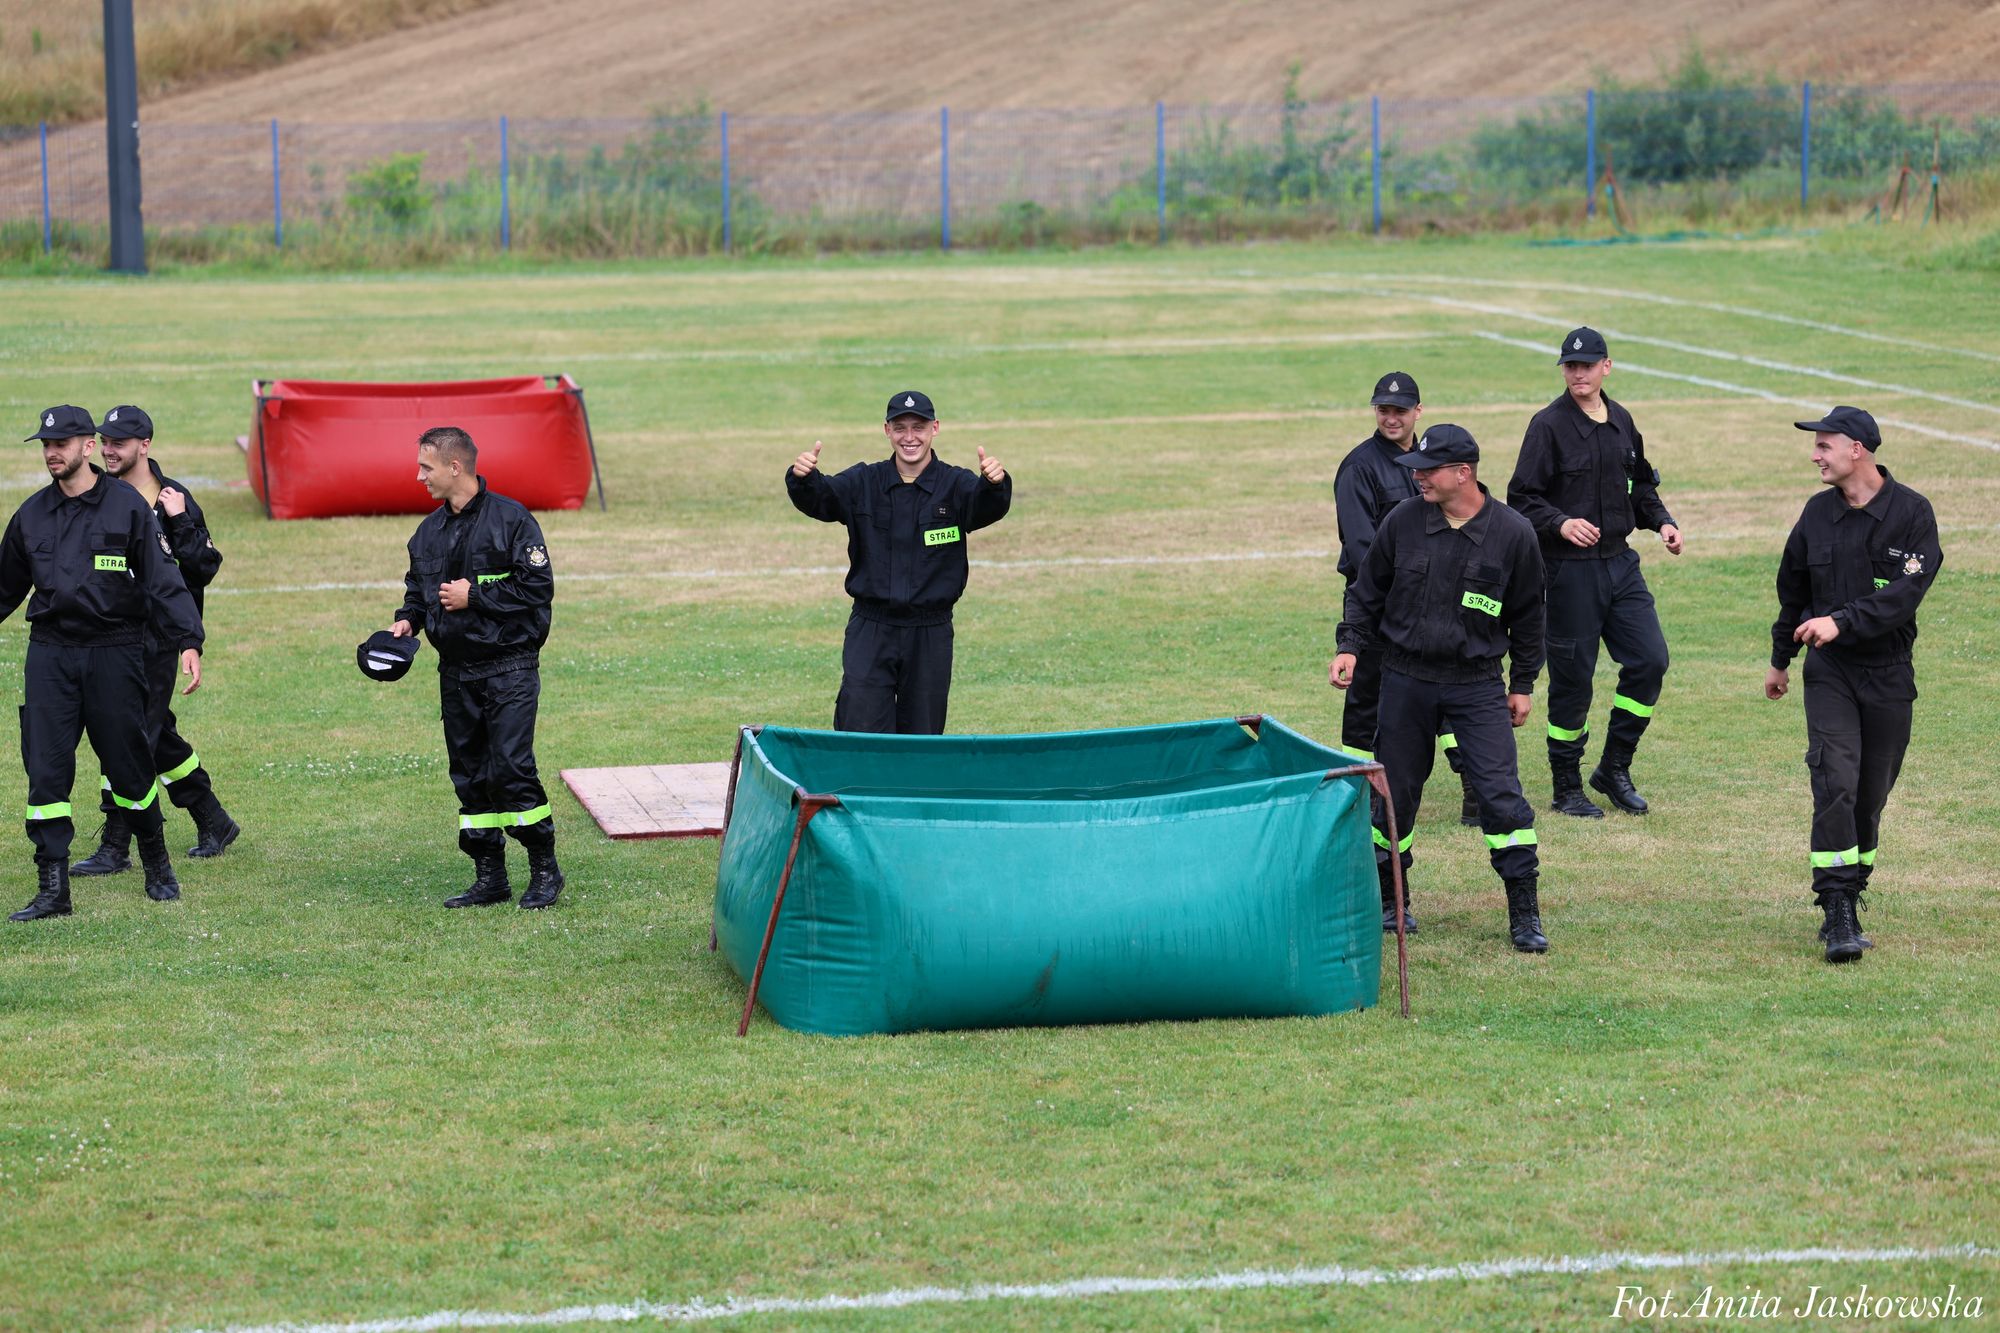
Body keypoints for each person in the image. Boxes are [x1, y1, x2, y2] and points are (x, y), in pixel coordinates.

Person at [1330, 424, 1550, 952]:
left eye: (1428, 470)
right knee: (1394, 797)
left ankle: (1524, 914)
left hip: (1475, 687)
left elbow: (1530, 616)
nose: (1418, 478)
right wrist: (1349, 646)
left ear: (1464, 473)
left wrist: (1522, 685)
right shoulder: (1402, 522)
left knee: (1500, 798)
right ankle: (1391, 901)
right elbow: (1366, 594)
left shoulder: (1514, 534)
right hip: (1404, 680)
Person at [1, 405, 205, 920]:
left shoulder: (128, 508)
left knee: (129, 765)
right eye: (45, 445)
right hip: (51, 653)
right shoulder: (30, 515)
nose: (52, 453)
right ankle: (53, 888)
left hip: (116, 649)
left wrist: (188, 640)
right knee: (46, 770)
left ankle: (157, 865)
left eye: (61, 444)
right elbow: (3, 588)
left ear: (87, 446)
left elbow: (163, 579)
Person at [1766, 407, 1940, 964]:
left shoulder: (1912, 513)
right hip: (1830, 671)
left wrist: (1842, 618)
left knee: (1871, 793)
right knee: (1835, 779)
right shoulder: (1816, 515)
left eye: (1824, 446)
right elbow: (1792, 586)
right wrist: (1780, 659)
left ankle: (1855, 882)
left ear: (1857, 450)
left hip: (1889, 672)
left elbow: (1903, 596)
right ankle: (1837, 907)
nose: (1815, 455)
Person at [1507, 326, 1683, 819]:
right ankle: (1566, 787)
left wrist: (1663, 522)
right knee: (1573, 680)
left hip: (1620, 564)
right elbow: (1521, 498)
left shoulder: (1622, 420)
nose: (1578, 373)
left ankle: (1614, 767)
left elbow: (1640, 484)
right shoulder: (1547, 426)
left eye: (1587, 364)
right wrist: (1560, 523)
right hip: (1568, 572)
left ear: (1606, 366)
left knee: (1650, 661)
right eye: (1570, 365)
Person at [390, 426, 562, 910]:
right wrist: (407, 621)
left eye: (426, 467)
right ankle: (491, 876)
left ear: (454, 467)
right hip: (456, 673)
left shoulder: (512, 521)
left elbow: (537, 589)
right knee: (470, 775)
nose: (418, 475)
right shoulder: (426, 534)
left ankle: (545, 869)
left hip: (509, 668)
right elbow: (418, 592)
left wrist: (476, 595)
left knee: (511, 768)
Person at [72, 406, 237, 878]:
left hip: (159, 637)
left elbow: (202, 569)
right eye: (104, 441)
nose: (108, 450)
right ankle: (213, 819)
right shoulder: (99, 495)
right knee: (151, 730)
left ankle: (116, 843)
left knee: (127, 735)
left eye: (118, 443)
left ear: (144, 445)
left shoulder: (174, 498)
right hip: (110, 635)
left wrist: (180, 522)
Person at [786, 390, 1011, 734]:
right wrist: (803, 479)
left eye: (918, 427)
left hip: (930, 632)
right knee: (859, 724)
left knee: (921, 735)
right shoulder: (864, 481)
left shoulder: (955, 484)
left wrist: (996, 484)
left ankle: (912, 790)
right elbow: (825, 499)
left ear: (935, 428)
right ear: (886, 430)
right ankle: (859, 790)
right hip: (871, 628)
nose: (910, 437)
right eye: (900, 427)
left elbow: (986, 505)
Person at [1333, 371, 1478, 825]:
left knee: (1442, 686)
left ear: (1419, 411)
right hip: (1378, 602)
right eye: (1383, 410)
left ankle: (1472, 780)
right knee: (1367, 699)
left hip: (1432, 602)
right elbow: (1361, 549)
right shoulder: (1359, 467)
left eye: (1400, 410)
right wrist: (1400, 594)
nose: (1391, 418)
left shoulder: (1429, 463)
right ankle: (1357, 792)